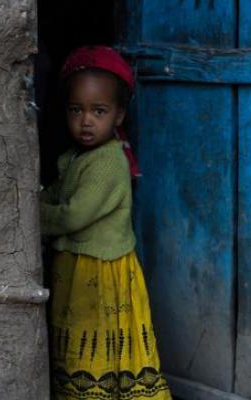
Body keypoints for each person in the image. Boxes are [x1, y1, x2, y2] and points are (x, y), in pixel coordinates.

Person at [40, 46, 172, 400]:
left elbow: (73, 214)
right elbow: (57, 191)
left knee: (97, 335)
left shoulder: (107, 164)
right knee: (84, 335)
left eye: (98, 111)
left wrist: (30, 215)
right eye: (76, 110)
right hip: (80, 269)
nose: (86, 121)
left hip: (100, 274)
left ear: (118, 115)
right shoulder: (76, 157)